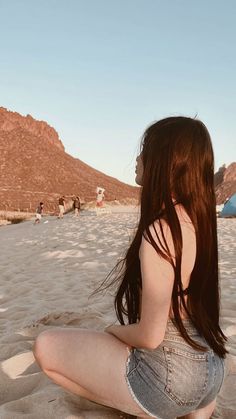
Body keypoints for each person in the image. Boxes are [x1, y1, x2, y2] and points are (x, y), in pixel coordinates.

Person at [33, 117, 227, 419]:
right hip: (211, 370)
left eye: (145, 149)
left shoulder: (160, 231)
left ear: (164, 161)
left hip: (173, 378)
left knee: (45, 347)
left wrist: (112, 330)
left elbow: (151, 336)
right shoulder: (198, 221)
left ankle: (149, 408)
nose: (137, 159)